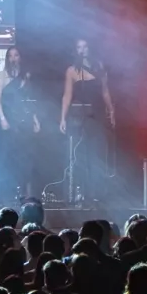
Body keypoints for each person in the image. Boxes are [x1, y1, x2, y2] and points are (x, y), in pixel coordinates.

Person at [59, 38, 114, 203]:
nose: (82, 49)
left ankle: (98, 193)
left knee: (98, 154)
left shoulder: (99, 66)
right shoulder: (72, 71)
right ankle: (82, 192)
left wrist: (111, 110)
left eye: (85, 46)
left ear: (90, 48)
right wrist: (62, 117)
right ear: (75, 50)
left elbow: (105, 91)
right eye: (79, 47)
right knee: (82, 155)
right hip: (81, 116)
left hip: (97, 114)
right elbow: (67, 95)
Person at [0, 46, 40, 204]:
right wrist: (2, 118)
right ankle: (2, 196)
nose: (13, 58)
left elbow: (29, 100)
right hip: (9, 119)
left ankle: (27, 196)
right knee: (7, 157)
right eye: (10, 56)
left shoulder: (26, 76)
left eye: (16, 55)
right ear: (7, 58)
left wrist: (35, 119)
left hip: (24, 120)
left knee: (27, 158)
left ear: (20, 57)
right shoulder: (2, 76)